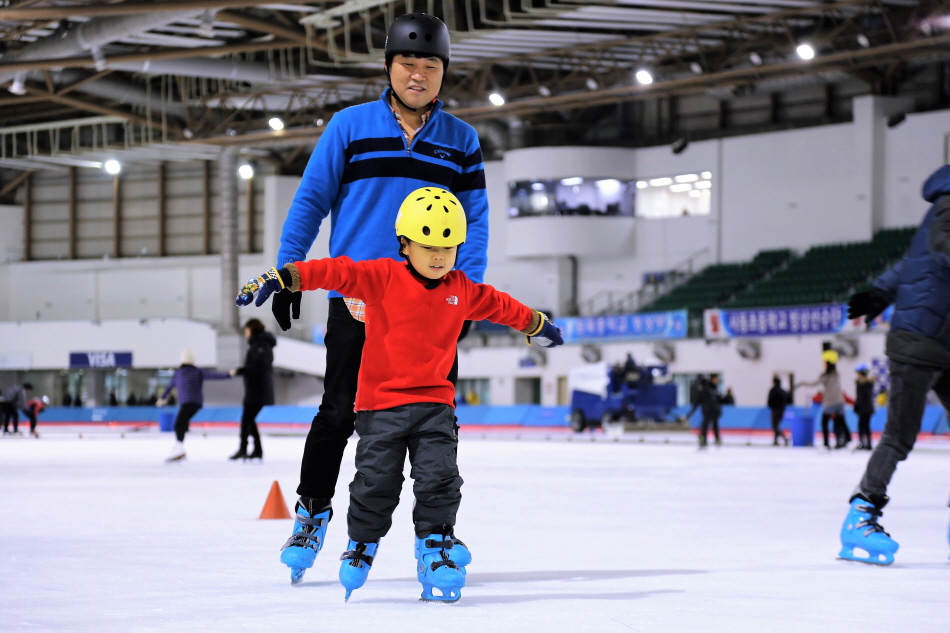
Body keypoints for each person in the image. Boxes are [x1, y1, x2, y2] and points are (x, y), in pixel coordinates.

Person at [237, 188, 563, 602]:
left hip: (435, 407)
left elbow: (500, 305)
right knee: (375, 484)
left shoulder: (460, 288)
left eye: (449, 245)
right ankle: (361, 543)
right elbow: (336, 271)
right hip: (381, 407)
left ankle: (435, 545)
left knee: (440, 479)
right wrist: (284, 276)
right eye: (429, 246)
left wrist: (536, 324)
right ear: (404, 244)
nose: (440, 255)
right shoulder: (381, 277)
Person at [269, 13, 490, 584]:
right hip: (359, 301)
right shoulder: (349, 126)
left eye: (430, 66)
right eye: (408, 64)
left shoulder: (461, 142)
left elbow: (477, 222)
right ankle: (312, 513)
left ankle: (435, 534)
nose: (419, 75)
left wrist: (463, 293)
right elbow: (312, 199)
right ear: (388, 67)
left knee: (436, 419)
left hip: (430, 306)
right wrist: (290, 271)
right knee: (339, 411)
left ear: (443, 73)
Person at [837, 164, 950, 565]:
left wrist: (879, 293)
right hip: (917, 340)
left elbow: (912, 263)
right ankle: (861, 514)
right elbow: (941, 249)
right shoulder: (948, 203)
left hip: (941, 341)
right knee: (900, 435)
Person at [158, 349, 233, 462]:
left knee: (178, 425)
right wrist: (228, 374)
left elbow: (169, 387)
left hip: (186, 402)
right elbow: (213, 375)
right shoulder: (198, 371)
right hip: (197, 403)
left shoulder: (178, 373)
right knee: (182, 424)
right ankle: (179, 446)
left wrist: (162, 398)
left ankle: (179, 448)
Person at [229, 318, 276, 461]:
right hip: (255, 389)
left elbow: (258, 367)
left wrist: (240, 371)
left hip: (258, 390)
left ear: (252, 329)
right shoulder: (259, 344)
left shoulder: (260, 345)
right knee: (250, 420)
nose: (245, 333)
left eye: (246, 329)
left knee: (246, 420)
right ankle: (257, 449)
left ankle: (244, 448)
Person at [799, 350, 850, 449]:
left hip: (830, 403)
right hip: (840, 402)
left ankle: (826, 442)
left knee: (824, 422)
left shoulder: (825, 376)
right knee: (840, 422)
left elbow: (814, 383)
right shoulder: (836, 374)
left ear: (827, 363)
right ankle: (844, 439)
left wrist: (802, 383)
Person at [697, 374, 723, 448]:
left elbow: (719, 401)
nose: (717, 381)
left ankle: (716, 438)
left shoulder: (715, 389)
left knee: (715, 424)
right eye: (715, 379)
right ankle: (703, 439)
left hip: (714, 410)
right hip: (708, 410)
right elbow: (701, 400)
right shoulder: (707, 389)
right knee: (705, 425)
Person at [854, 364, 876, 451]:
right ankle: (868, 443)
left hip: (863, 408)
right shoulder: (869, 383)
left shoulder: (861, 384)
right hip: (869, 408)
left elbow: (860, 397)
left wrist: (857, 406)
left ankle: (863, 443)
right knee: (866, 426)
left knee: (862, 426)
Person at [767, 376, 790, 446]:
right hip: (781, 410)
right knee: (776, 425)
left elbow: (769, 401)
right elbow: (789, 400)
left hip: (775, 410)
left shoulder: (773, 390)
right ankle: (775, 440)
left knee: (775, 426)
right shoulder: (783, 391)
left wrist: (773, 407)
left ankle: (784, 438)